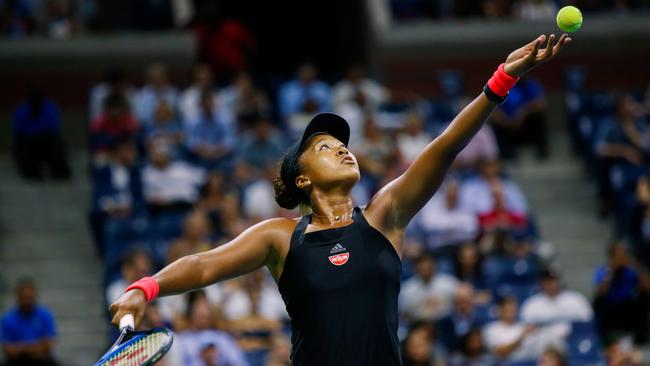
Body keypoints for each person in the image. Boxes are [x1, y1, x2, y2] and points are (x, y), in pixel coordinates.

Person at [109, 34, 571, 365]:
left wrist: (501, 80)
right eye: (324, 148)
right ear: (304, 179)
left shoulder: (385, 217)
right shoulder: (281, 238)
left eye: (342, 143)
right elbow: (206, 265)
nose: (342, 148)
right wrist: (144, 289)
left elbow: (445, 146)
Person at [593, 241, 650, 343]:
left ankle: (641, 338)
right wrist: (611, 271)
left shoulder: (631, 270)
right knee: (599, 301)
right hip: (610, 309)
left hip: (628, 307)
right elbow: (601, 291)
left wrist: (635, 266)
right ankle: (604, 338)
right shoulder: (604, 270)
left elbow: (647, 287)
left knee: (644, 297)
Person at [12, 87, 71, 180]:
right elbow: (18, 131)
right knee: (20, 145)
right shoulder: (22, 110)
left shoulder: (50, 107)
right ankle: (31, 171)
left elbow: (54, 128)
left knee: (57, 143)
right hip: (28, 143)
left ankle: (59, 171)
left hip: (47, 142)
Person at [1, 278, 58, 366]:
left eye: (30, 297)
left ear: (35, 297)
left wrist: (19, 348)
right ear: (18, 298)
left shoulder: (45, 315)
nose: (27, 301)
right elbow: (7, 349)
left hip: (40, 360)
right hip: (16, 361)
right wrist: (36, 347)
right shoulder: (8, 318)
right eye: (24, 298)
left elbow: (48, 346)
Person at [520, 268, 593, 324]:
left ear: (559, 281)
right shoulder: (532, 304)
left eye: (553, 280)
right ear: (541, 283)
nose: (551, 284)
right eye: (547, 281)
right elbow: (526, 327)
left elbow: (587, 323)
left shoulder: (576, 300)